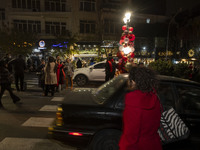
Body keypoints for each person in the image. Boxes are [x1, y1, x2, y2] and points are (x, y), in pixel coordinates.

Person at [119, 66, 162, 150]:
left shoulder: (133, 100)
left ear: (134, 81)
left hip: (137, 146)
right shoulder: (154, 97)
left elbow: (131, 133)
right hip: (153, 144)